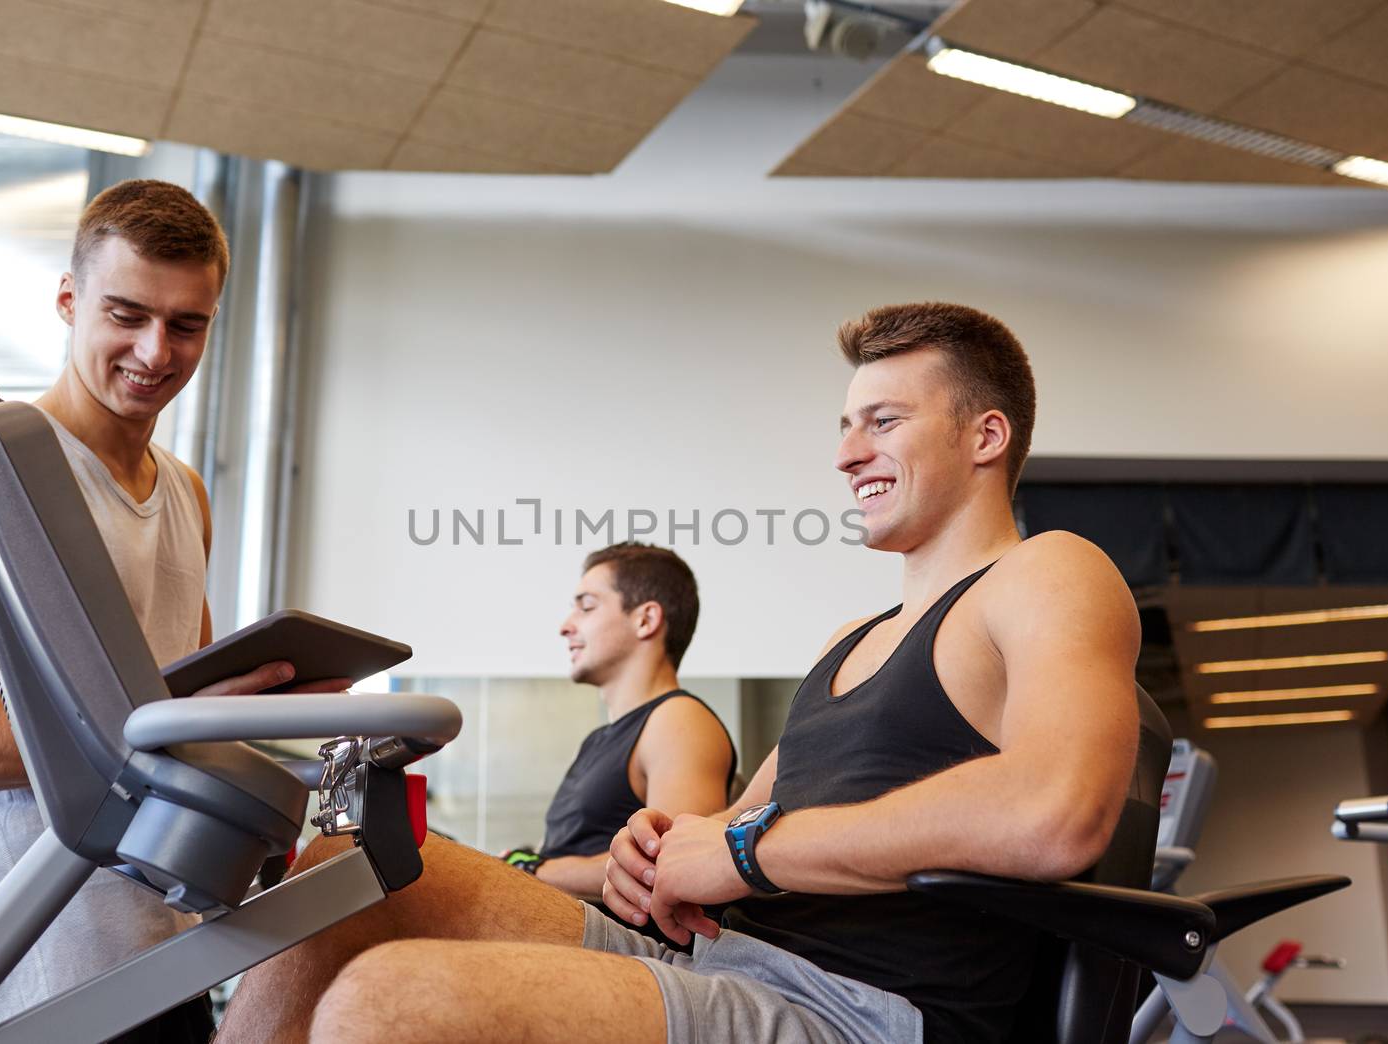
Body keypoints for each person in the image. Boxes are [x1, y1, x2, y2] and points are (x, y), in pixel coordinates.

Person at [216, 301, 1141, 1044]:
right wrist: (664, 852)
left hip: (860, 1010)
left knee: (389, 999)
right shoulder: (852, 636)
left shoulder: (1050, 571)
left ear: (985, 436)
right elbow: (740, 826)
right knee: (348, 873)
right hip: (730, 961)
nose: (846, 453)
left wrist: (743, 853)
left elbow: (1054, 814)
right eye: (847, 424)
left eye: (884, 422)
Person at [0, 179, 343, 1040]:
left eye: (187, 324)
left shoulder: (186, 494)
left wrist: (279, 697)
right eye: (126, 313)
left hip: (158, 948)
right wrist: (161, 722)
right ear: (68, 300)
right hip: (17, 968)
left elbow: (184, 723)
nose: (154, 350)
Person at [500, 543, 736, 905]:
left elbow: (672, 864)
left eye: (587, 606)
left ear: (645, 619)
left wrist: (529, 870)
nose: (566, 626)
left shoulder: (678, 720)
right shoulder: (599, 740)